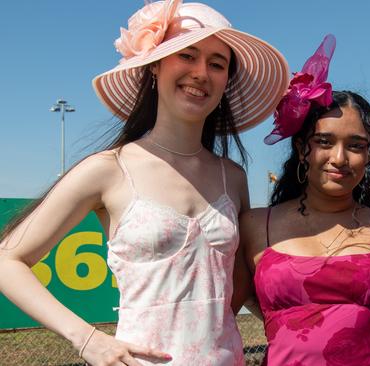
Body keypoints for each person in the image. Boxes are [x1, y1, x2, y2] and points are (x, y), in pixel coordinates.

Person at [0, 1, 289, 365]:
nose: (201, 72)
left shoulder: (233, 177)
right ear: (154, 66)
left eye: (217, 64)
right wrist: (87, 339)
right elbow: (7, 260)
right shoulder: (108, 169)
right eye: (187, 55)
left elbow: (239, 284)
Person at [240, 35, 370, 365]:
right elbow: (219, 311)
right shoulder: (255, 226)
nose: (339, 158)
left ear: (369, 156)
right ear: (301, 148)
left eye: (356, 146)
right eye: (324, 141)